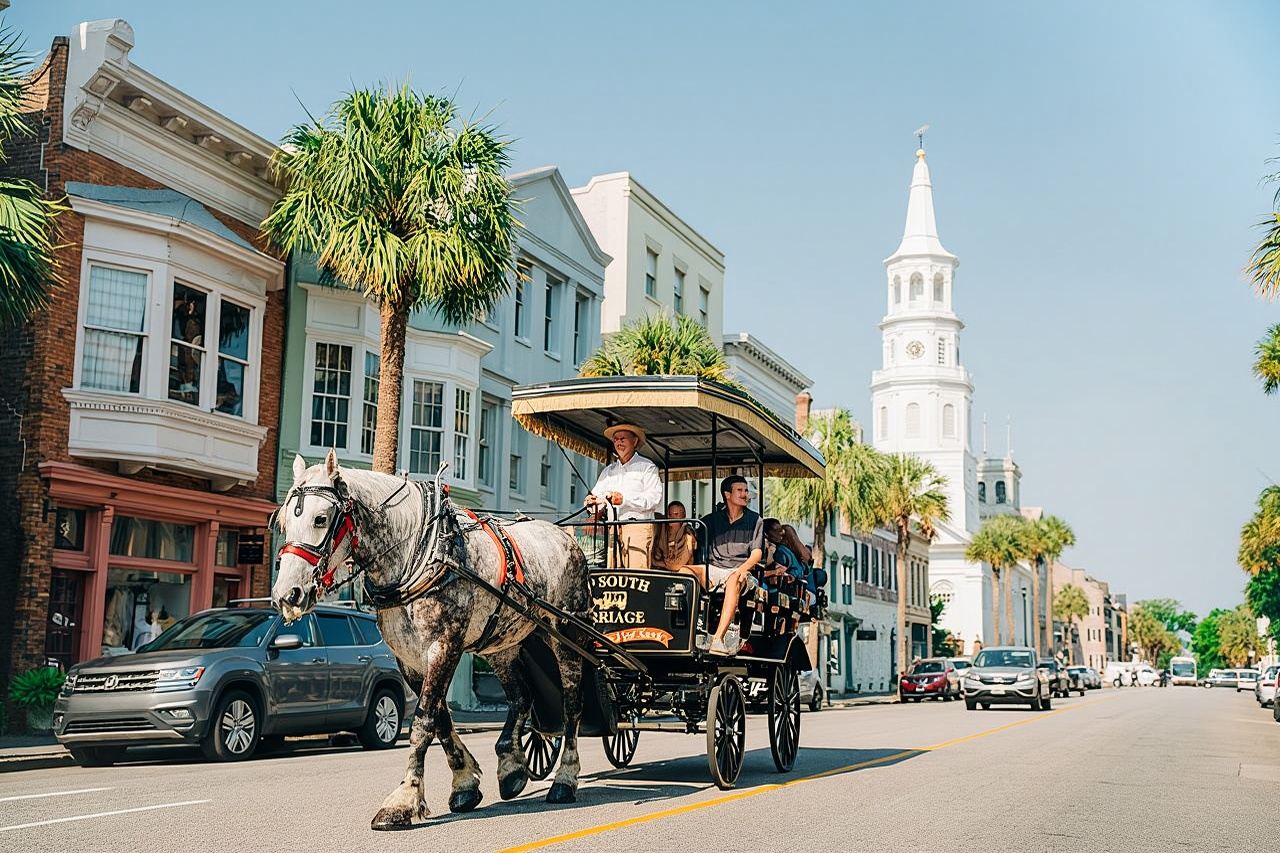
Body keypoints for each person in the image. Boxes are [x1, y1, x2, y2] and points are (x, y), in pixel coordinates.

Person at [685, 475, 764, 656]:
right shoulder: (711, 520)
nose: (745, 494)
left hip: (740, 571)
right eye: (740, 490)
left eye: (746, 490)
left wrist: (742, 570)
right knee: (684, 572)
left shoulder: (755, 520)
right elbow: (694, 540)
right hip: (713, 569)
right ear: (727, 494)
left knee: (734, 579)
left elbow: (757, 554)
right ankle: (688, 634)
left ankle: (718, 639)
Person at [584, 423, 662, 568]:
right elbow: (597, 497)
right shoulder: (609, 471)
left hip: (637, 528)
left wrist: (624, 500)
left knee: (636, 576)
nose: (618, 442)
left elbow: (654, 499)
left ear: (635, 441)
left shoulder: (647, 467)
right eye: (616, 439)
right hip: (612, 528)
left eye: (623, 439)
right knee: (613, 574)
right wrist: (592, 503)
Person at [651, 500, 696, 570]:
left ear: (683, 516)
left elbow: (677, 566)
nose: (671, 518)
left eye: (676, 514)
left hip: (681, 574)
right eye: (669, 514)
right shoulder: (661, 528)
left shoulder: (688, 536)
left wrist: (660, 563)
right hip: (658, 571)